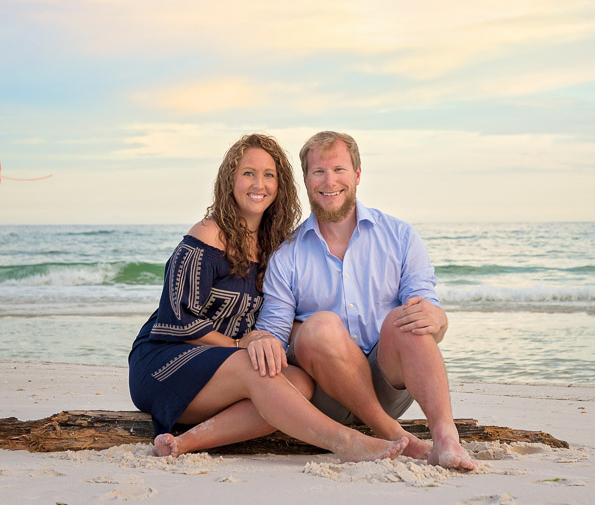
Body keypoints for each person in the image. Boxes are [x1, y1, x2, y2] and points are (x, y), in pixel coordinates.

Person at [128, 133, 408, 462]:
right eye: (248, 173)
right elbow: (177, 319)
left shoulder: (274, 246)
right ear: (230, 180)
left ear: (280, 185)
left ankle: (184, 443)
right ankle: (345, 442)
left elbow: (280, 314)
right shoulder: (207, 235)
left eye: (269, 175)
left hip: (224, 371)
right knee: (258, 366)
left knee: (299, 383)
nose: (258, 183)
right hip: (164, 363)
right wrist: (239, 345)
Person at [252, 131, 477, 471]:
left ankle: (445, 436)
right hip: (327, 393)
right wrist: (266, 337)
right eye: (319, 172)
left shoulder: (399, 236)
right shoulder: (288, 254)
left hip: (389, 387)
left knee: (408, 317)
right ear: (306, 179)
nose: (330, 181)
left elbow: (430, 318)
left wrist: (438, 318)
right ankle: (391, 434)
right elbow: (275, 332)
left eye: (339, 170)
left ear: (357, 174)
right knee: (320, 327)